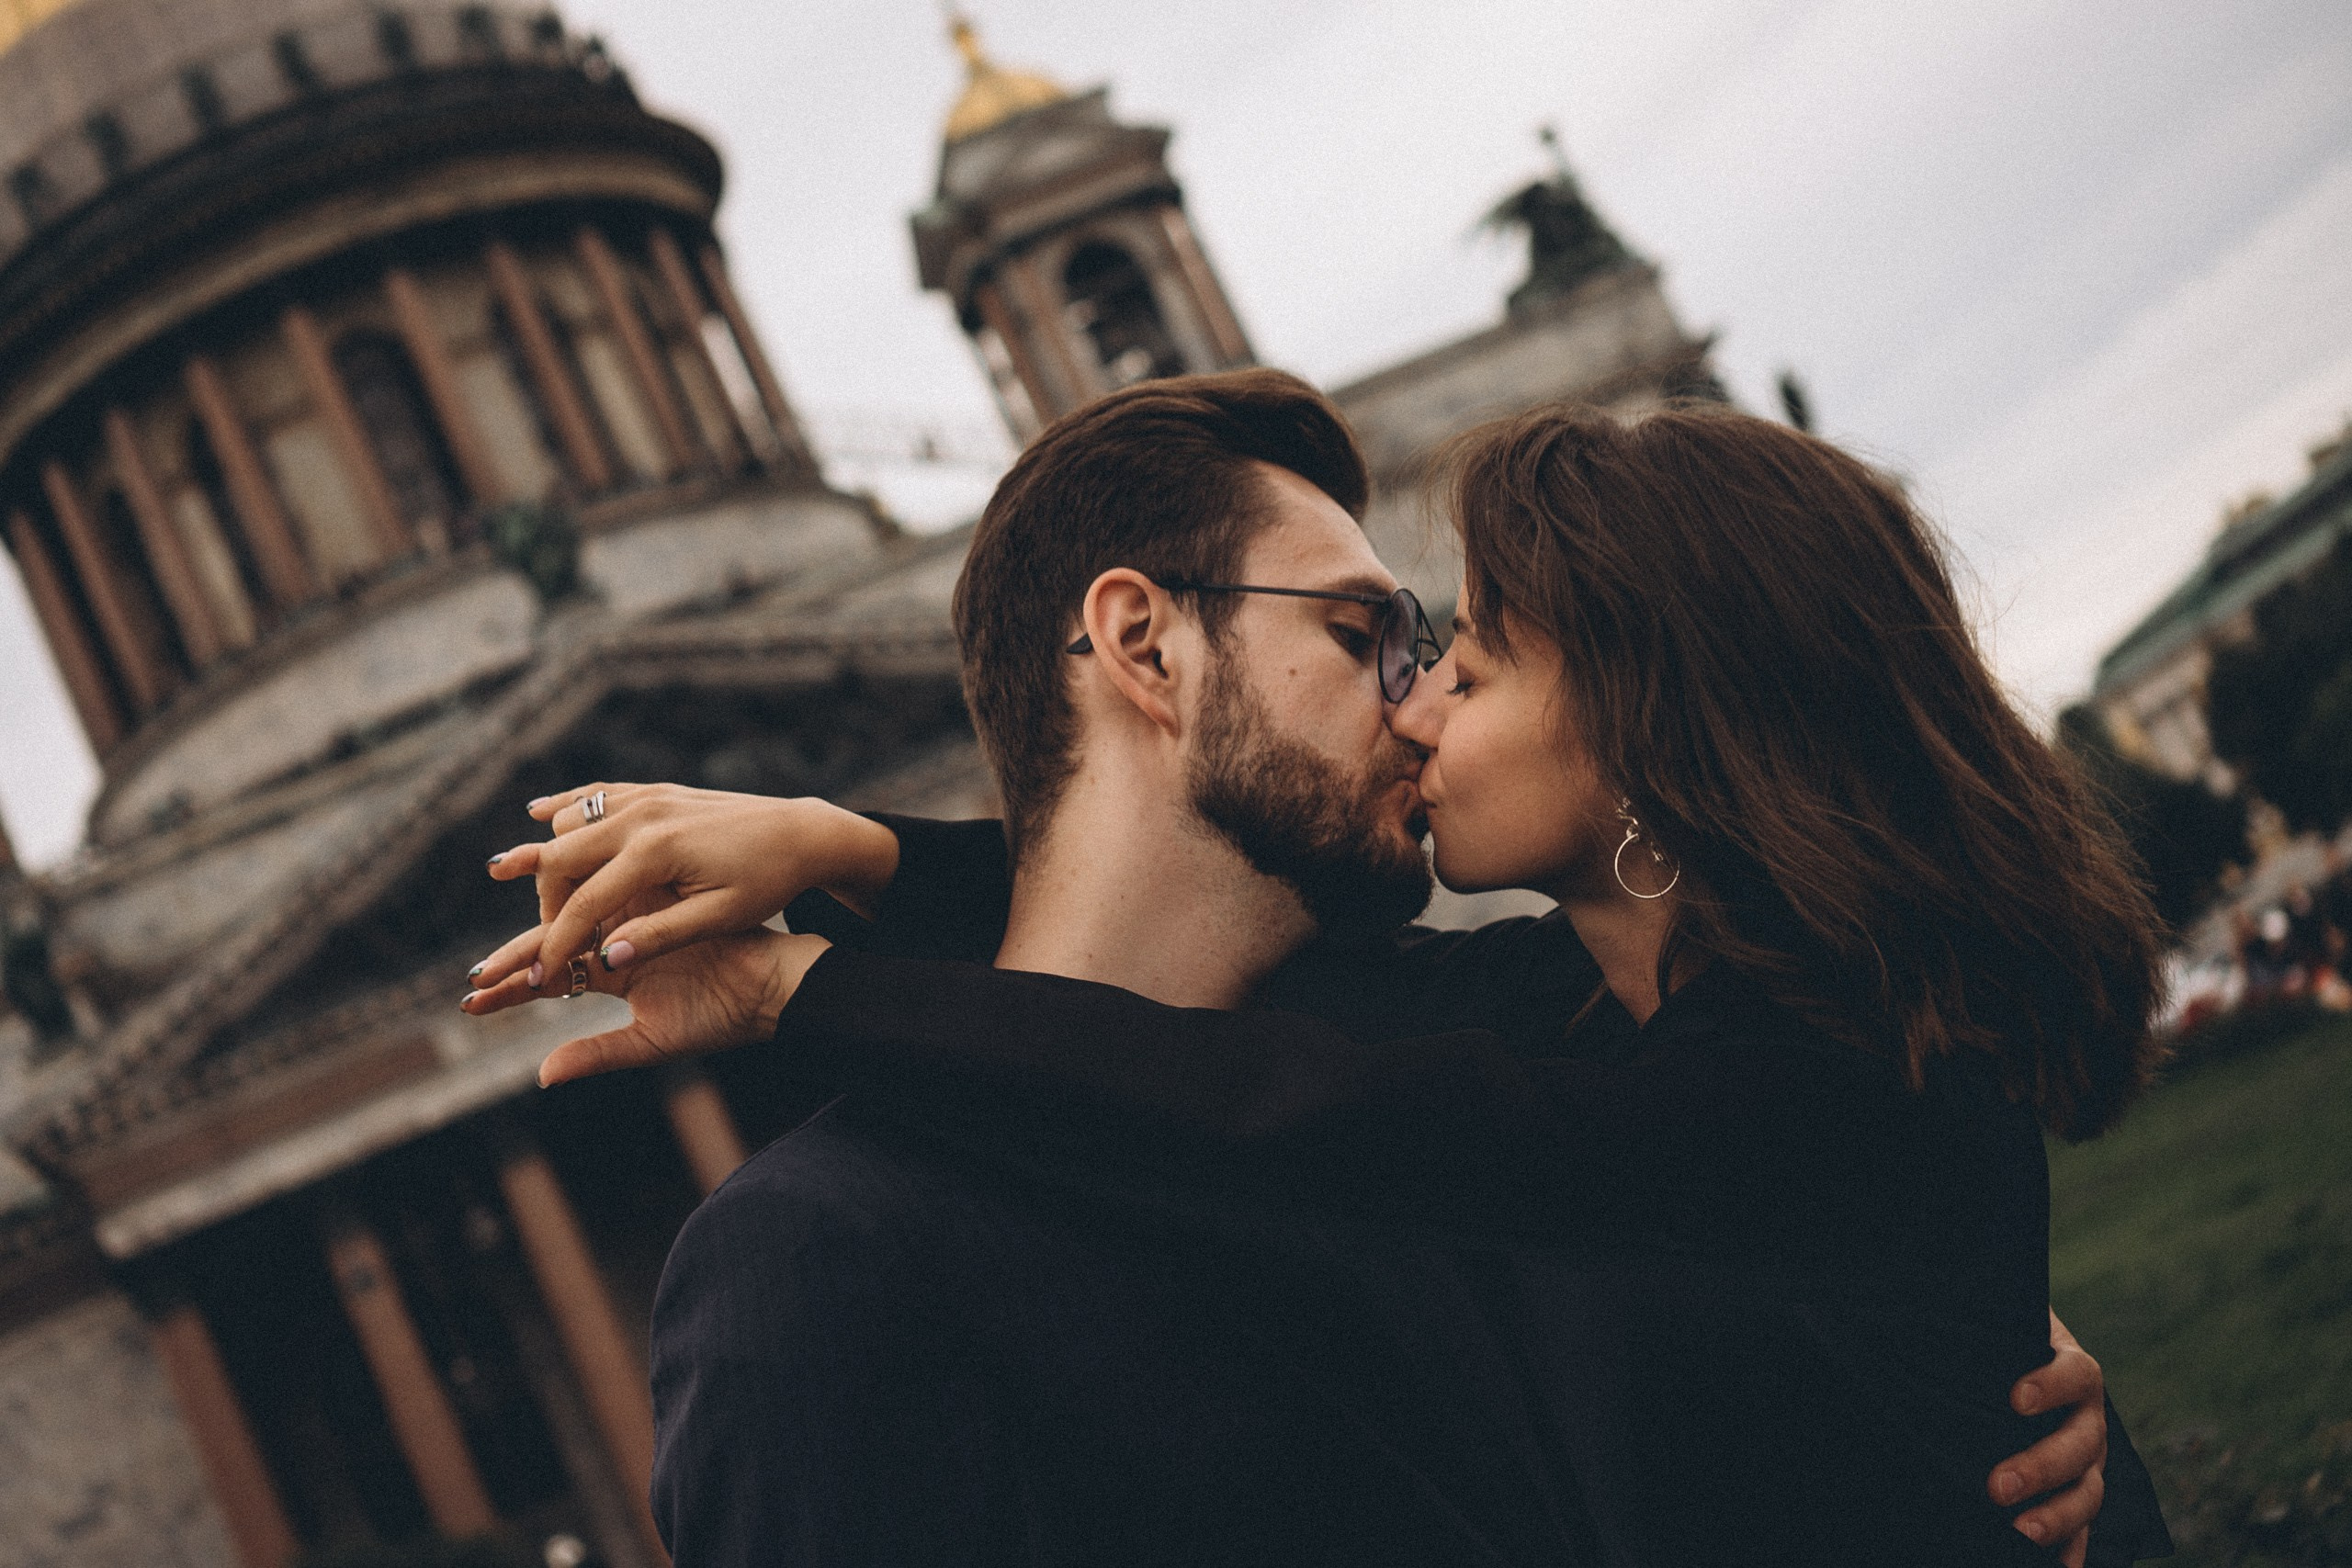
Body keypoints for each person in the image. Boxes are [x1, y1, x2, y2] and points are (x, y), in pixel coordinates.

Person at [467, 376, 2165, 1562]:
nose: (1415, 706)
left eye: (1457, 661)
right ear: (1144, 645)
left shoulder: (1547, 1059)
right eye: (1370, 637)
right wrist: (861, 855)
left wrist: (2008, 1405)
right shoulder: (817, 1271)